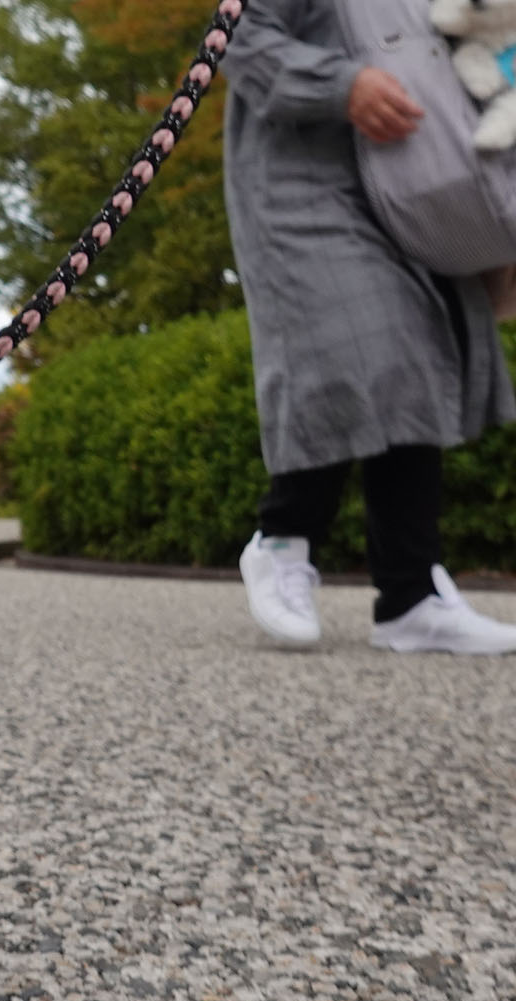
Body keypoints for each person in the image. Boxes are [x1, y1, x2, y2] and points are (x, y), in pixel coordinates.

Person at [225, 0, 516, 654]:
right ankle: (282, 541)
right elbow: (241, 39)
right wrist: (342, 83)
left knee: (415, 359)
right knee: (350, 346)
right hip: (304, 178)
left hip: (419, 179)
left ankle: (413, 596)